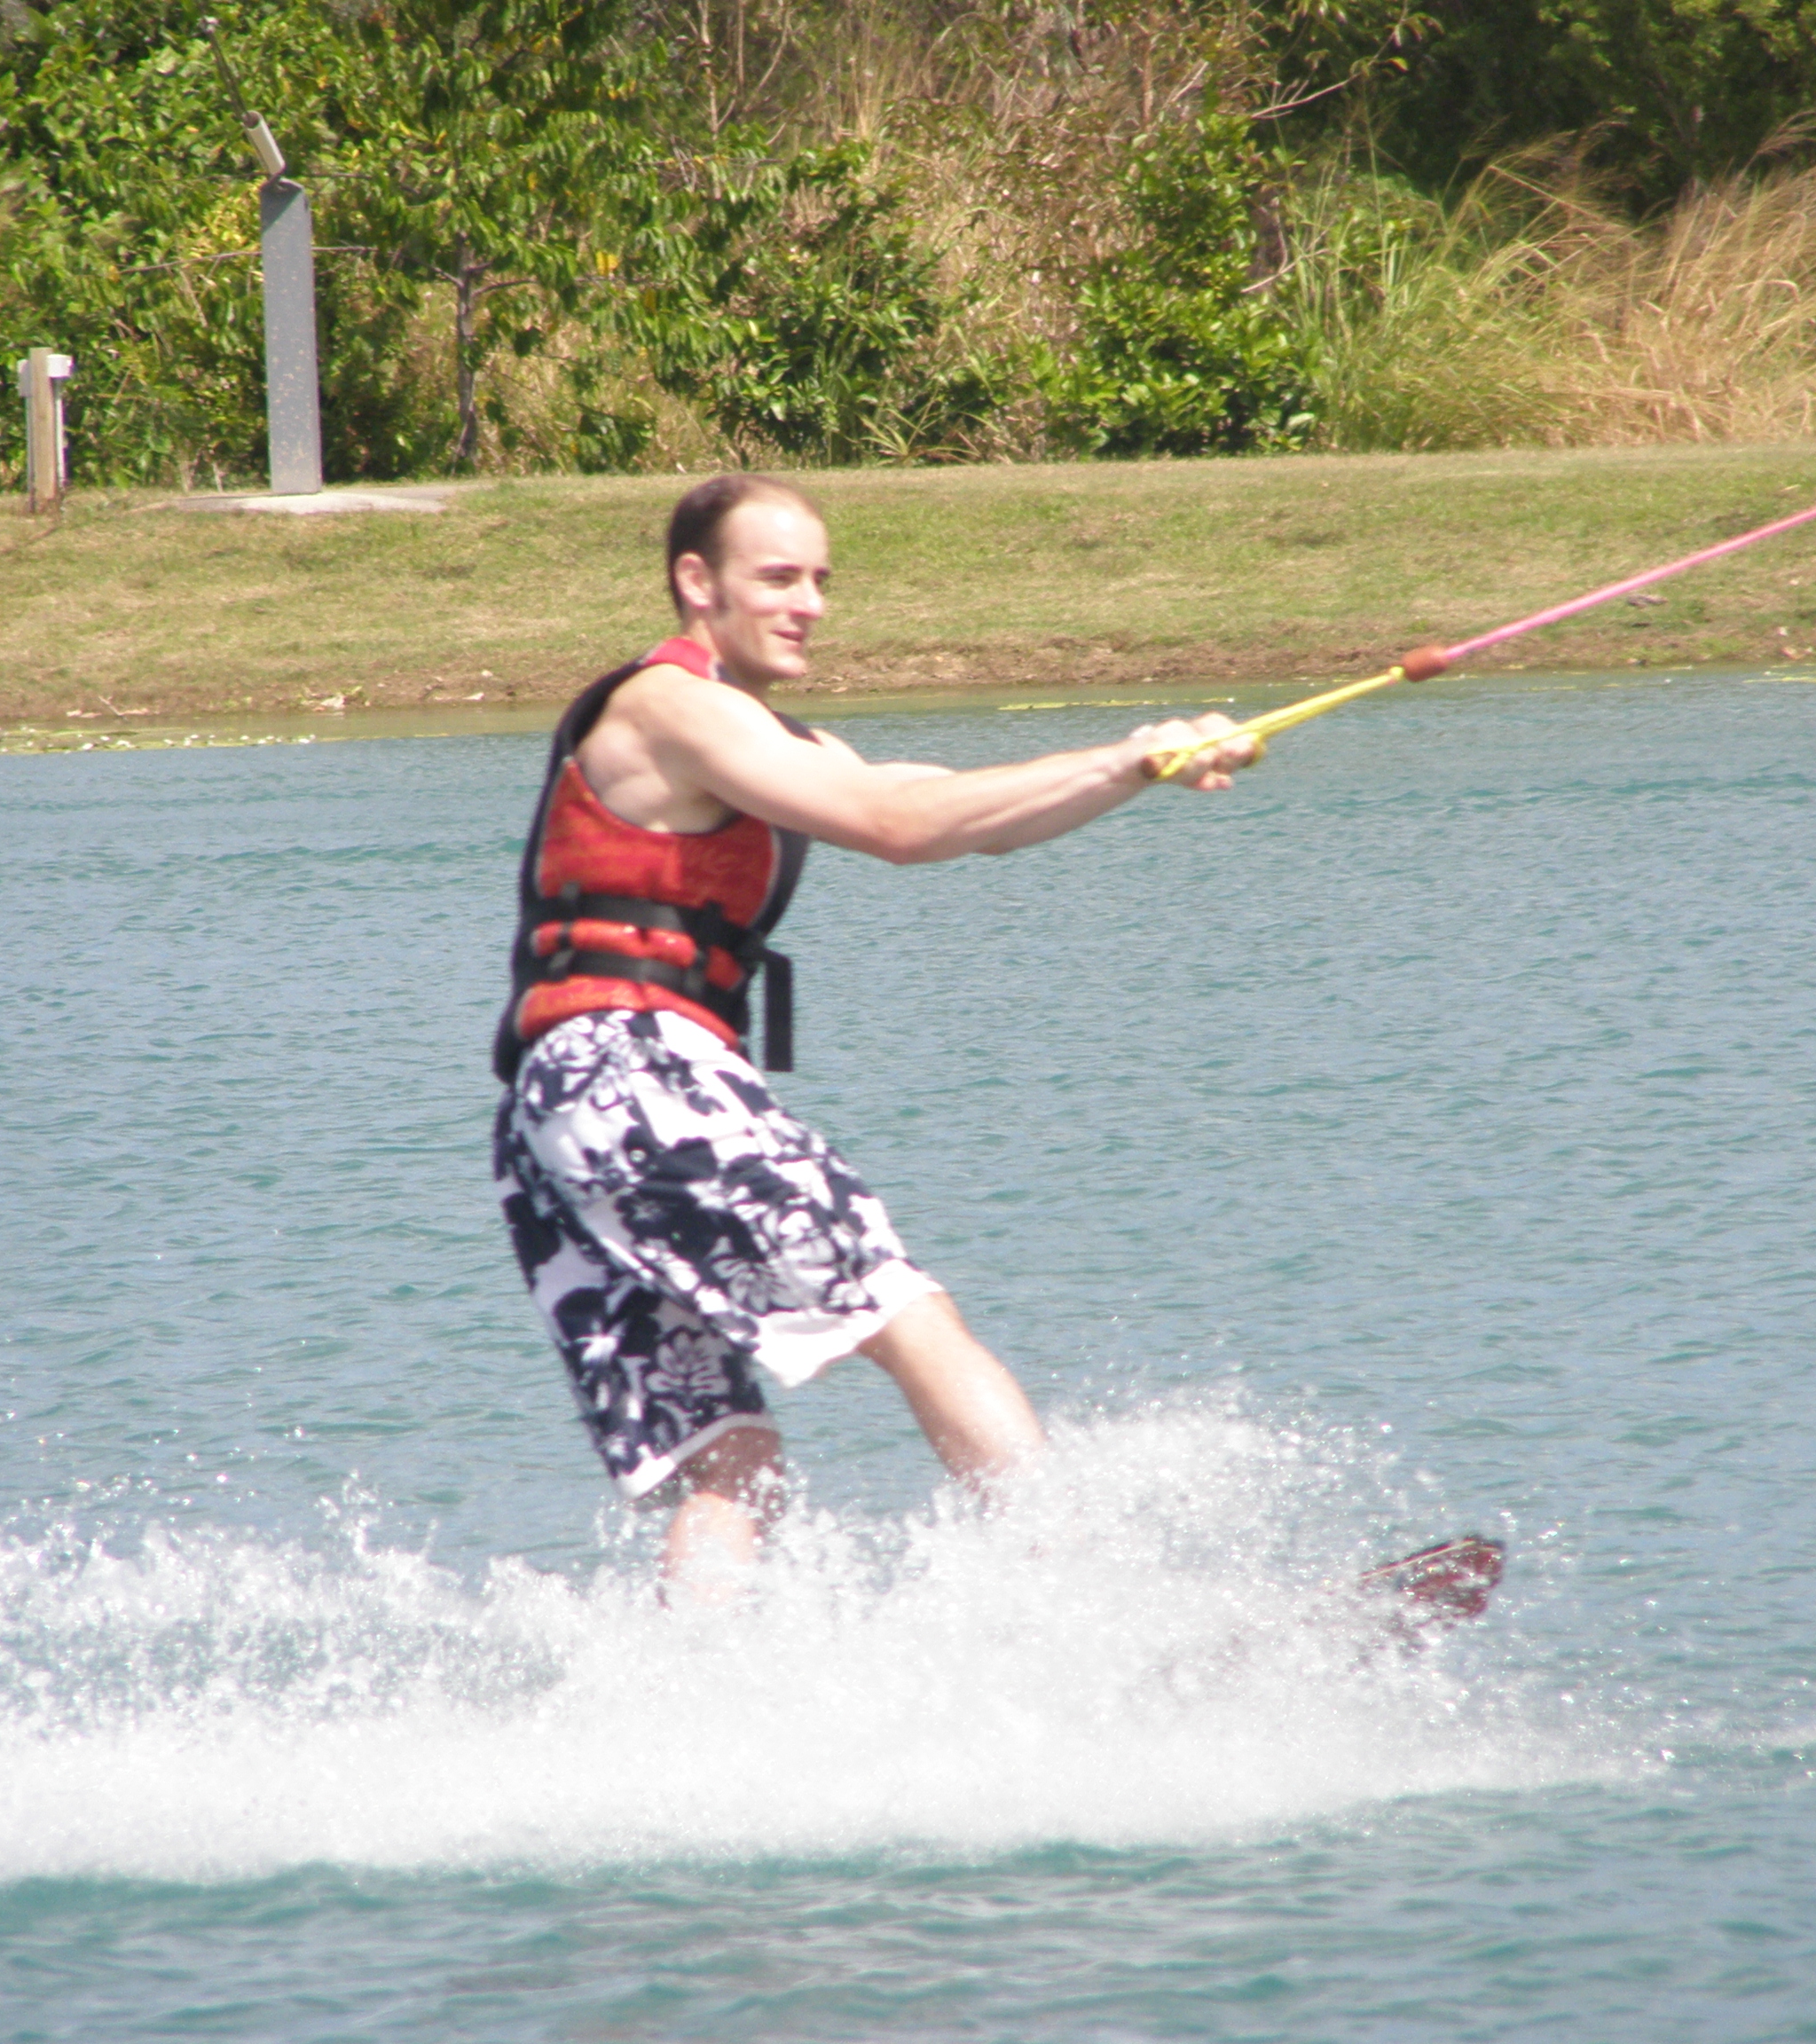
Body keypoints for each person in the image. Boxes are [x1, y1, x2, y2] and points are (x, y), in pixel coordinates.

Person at [492, 474, 1255, 1594]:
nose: (809, 604)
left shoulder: (782, 742)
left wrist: (1146, 760)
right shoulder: (669, 707)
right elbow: (895, 827)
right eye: (778, 578)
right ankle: (1086, 1598)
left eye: (821, 580)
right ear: (697, 582)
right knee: (906, 1314)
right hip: (629, 1072)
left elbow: (968, 818)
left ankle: (695, 1685)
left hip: (559, 1122)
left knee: (730, 1462)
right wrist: (1128, 758)